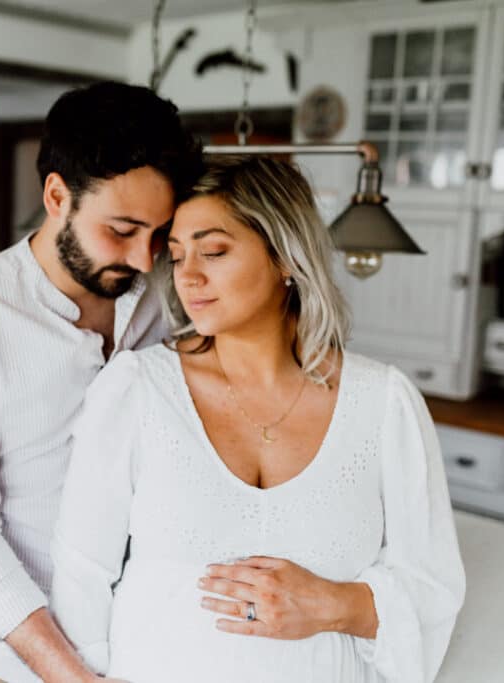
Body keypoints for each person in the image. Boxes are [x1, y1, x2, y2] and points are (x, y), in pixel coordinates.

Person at [50, 155, 466, 683]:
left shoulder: (384, 403)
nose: (189, 276)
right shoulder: (137, 389)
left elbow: (432, 587)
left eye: (215, 251)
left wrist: (331, 605)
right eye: (177, 257)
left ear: (286, 258)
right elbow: (81, 573)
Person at [0, 81, 203, 682]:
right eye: (121, 230)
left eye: (158, 235)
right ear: (57, 195)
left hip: (145, 643)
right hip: (14, 663)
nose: (145, 261)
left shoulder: (162, 295)